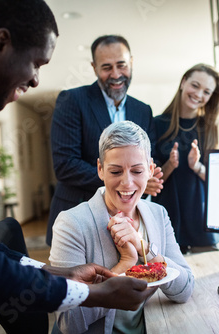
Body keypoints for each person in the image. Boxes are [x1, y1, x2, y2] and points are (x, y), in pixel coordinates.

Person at [0, 0, 155, 323]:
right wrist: (92, 294)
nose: (35, 81)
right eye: (36, 64)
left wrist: (54, 272)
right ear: (0, 44)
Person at [50, 121, 194, 333]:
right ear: (100, 169)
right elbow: (69, 323)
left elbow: (185, 289)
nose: (127, 183)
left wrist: (144, 248)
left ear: (151, 169)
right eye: (116, 172)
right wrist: (125, 264)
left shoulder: (157, 214)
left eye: (137, 171)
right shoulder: (71, 224)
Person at [47, 35, 163, 246]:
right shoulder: (72, 101)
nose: (116, 74)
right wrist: (123, 181)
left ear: (132, 63)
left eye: (121, 65)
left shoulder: (143, 110)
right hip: (79, 217)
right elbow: (65, 165)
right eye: (107, 67)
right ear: (93, 67)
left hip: (131, 223)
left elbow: (147, 159)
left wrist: (147, 178)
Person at [152, 63, 219, 253]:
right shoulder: (155, 125)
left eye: (206, 91)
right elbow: (149, 184)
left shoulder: (217, 130)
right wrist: (170, 164)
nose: (199, 94)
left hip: (206, 230)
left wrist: (197, 167)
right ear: (183, 82)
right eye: (195, 85)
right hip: (167, 228)